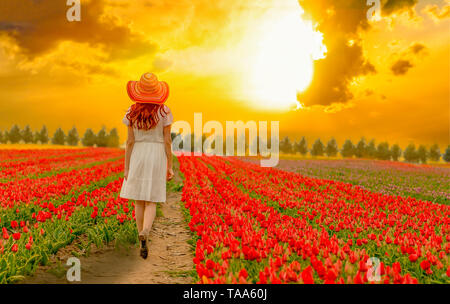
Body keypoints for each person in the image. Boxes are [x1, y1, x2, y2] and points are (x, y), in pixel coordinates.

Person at [119, 72, 174, 259]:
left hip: (138, 154)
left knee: (138, 199)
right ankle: (146, 231)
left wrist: (127, 167)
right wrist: (169, 165)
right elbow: (167, 141)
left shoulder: (131, 112)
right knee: (151, 198)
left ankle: (140, 234)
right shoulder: (164, 111)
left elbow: (129, 142)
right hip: (156, 153)